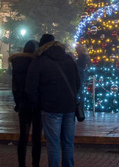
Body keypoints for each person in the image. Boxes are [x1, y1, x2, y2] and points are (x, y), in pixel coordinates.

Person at [26, 34, 80, 167]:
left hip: (50, 107)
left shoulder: (39, 61)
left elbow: (30, 88)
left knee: (53, 144)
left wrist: (39, 103)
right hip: (69, 107)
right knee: (68, 144)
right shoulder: (69, 59)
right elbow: (78, 83)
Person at [11, 40, 42, 167]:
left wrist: (17, 102)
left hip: (23, 103)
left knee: (23, 137)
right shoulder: (37, 63)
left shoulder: (17, 63)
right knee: (36, 138)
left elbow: (15, 86)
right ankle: (35, 164)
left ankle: (21, 164)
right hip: (36, 104)